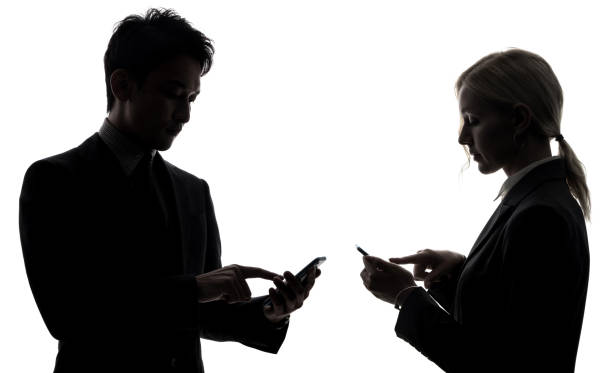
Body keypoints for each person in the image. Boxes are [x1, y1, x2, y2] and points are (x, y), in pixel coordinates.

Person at [19, 8, 319, 373]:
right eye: (174, 94)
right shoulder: (54, 181)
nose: (185, 115)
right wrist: (194, 288)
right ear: (122, 85)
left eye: (191, 98)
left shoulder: (193, 191)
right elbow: (67, 315)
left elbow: (203, 316)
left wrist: (271, 311)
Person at [360, 49, 590, 372]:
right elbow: (503, 326)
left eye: (473, 120)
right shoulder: (536, 200)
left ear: (520, 120)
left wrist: (405, 296)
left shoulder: (539, 216)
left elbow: (492, 365)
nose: (462, 137)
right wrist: (462, 273)